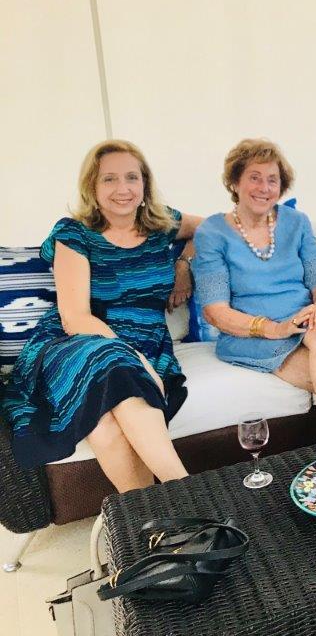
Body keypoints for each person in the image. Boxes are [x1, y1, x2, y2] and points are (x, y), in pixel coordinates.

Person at [1, 140, 199, 491]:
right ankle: (185, 494)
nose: (122, 188)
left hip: (144, 340)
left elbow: (213, 227)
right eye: (109, 179)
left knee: (105, 425)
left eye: (131, 177)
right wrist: (136, 359)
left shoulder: (163, 224)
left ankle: (154, 518)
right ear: (92, 186)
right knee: (114, 362)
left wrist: (183, 264)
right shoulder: (74, 233)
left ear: (145, 183)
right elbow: (75, 317)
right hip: (78, 341)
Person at [193, 139, 316, 441]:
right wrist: (276, 329)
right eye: (254, 177)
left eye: (272, 180)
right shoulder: (212, 232)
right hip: (252, 334)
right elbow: (215, 312)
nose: (264, 188)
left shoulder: (297, 222)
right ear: (235, 182)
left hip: (305, 319)